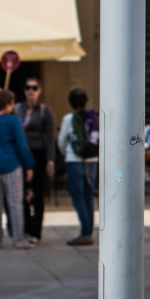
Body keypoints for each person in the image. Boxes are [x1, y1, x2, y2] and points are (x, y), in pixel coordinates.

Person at [14, 78, 55, 243]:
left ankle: (35, 232)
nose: (30, 91)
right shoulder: (18, 109)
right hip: (21, 154)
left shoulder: (44, 111)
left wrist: (50, 160)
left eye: (34, 88)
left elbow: (50, 136)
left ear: (39, 91)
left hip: (38, 154)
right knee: (21, 193)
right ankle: (25, 227)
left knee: (38, 194)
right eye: (27, 87)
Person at [57, 87, 99, 246]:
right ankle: (89, 232)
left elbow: (61, 141)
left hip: (74, 160)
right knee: (89, 196)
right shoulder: (92, 117)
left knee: (78, 197)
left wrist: (66, 153)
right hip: (92, 160)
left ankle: (85, 232)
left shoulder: (69, 118)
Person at [0, 88, 35, 249]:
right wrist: (28, 165)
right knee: (14, 203)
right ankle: (18, 238)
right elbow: (22, 145)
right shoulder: (13, 121)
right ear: (9, 104)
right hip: (11, 165)